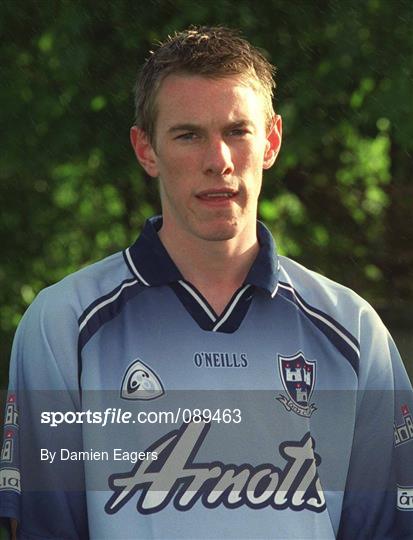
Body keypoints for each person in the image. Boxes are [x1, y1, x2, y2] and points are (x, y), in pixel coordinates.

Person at [0, 25, 412, 540]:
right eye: (188, 134)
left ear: (272, 141)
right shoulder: (62, 326)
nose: (217, 160)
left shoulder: (353, 332)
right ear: (146, 150)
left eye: (237, 131)